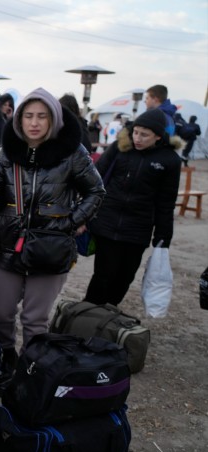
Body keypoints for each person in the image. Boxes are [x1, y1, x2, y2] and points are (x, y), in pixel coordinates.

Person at [0, 88, 104, 389]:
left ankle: (32, 371)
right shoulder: (6, 155)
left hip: (52, 250)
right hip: (9, 246)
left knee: (34, 319)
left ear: (53, 119)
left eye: (42, 116)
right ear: (18, 118)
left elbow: (96, 191)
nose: (34, 122)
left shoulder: (72, 154)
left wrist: (72, 222)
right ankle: (8, 359)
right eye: (28, 115)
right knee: (1, 312)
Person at [84, 108, 182, 306]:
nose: (138, 138)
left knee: (124, 277)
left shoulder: (169, 160)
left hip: (138, 229)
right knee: (103, 275)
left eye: (144, 135)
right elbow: (95, 179)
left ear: (158, 136)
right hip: (108, 223)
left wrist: (163, 237)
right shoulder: (120, 148)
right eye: (136, 132)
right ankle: (88, 314)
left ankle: (108, 315)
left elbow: (166, 202)